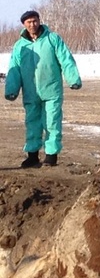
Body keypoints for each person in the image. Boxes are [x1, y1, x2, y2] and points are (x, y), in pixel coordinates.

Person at [4, 10, 82, 168]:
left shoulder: (53, 39)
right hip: (31, 92)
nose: (32, 24)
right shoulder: (20, 46)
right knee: (32, 123)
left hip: (51, 89)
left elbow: (65, 59)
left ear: (39, 21)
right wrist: (11, 90)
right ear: (24, 25)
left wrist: (73, 79)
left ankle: (51, 155)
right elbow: (15, 68)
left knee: (52, 122)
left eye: (34, 21)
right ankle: (32, 155)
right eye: (28, 22)